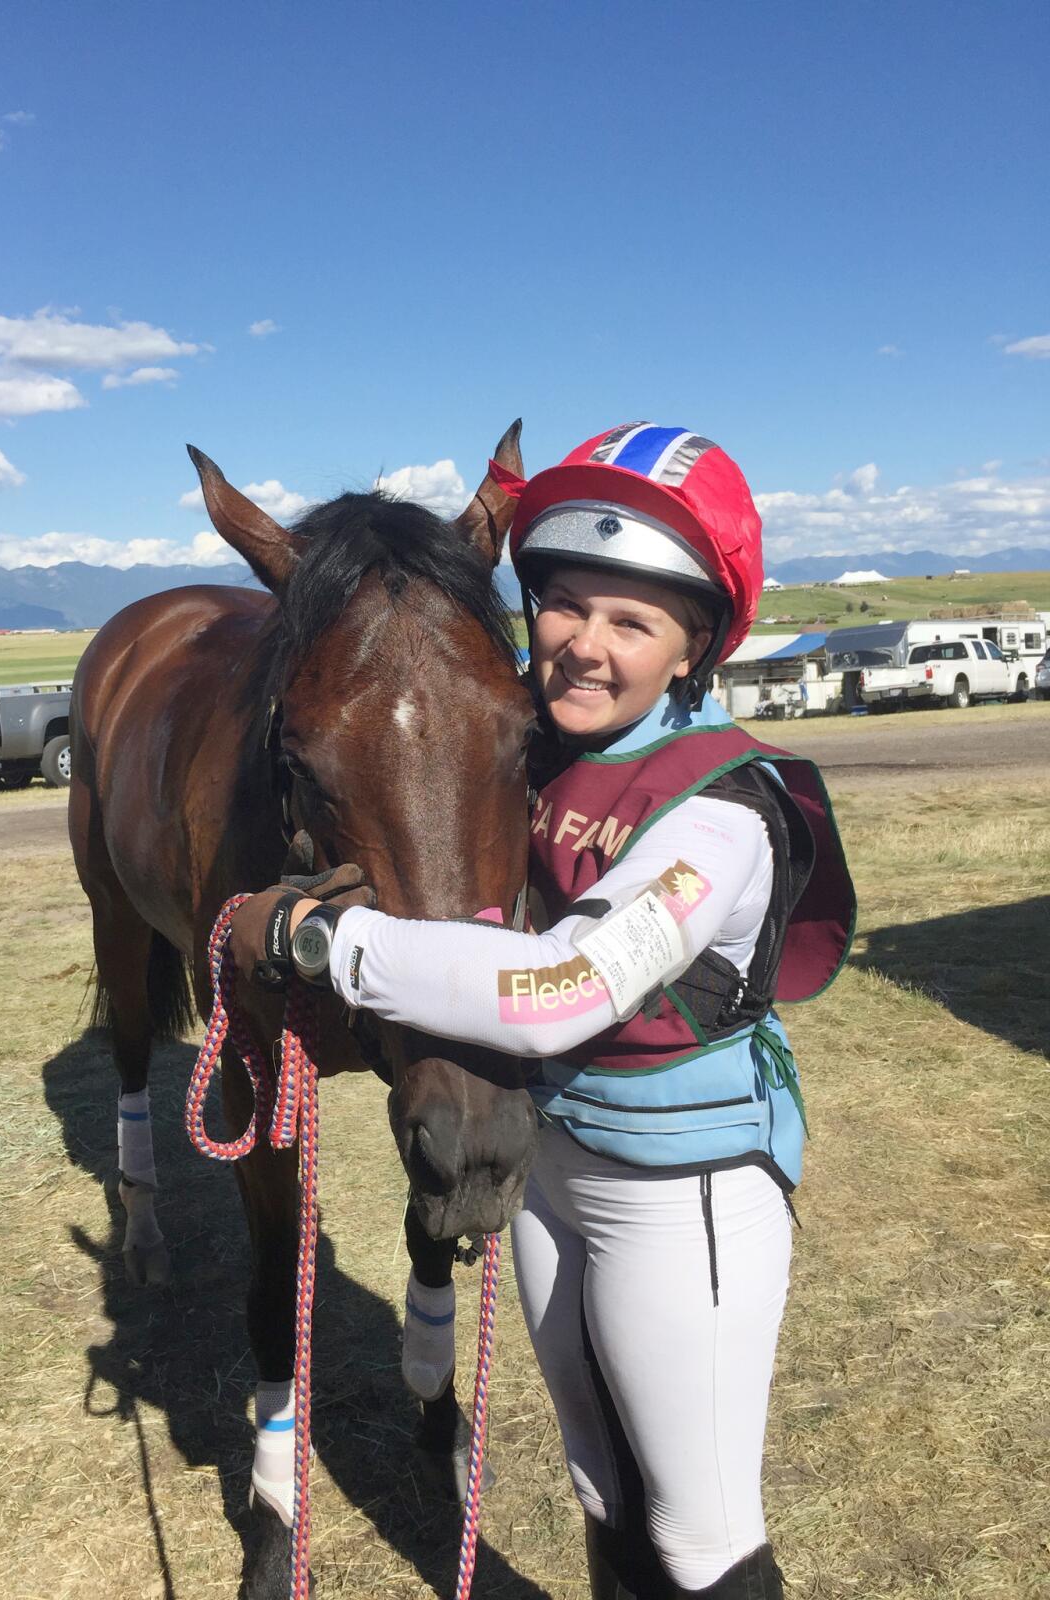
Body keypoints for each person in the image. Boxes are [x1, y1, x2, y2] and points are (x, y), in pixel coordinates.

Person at [231, 422, 855, 1599]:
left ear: (695, 649)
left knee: (704, 1533)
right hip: (551, 1168)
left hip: (684, 1192)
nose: (582, 644)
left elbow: (558, 989)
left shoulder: (726, 809)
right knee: (602, 1490)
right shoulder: (540, 758)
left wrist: (320, 936)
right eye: (565, 603)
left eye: (634, 621)